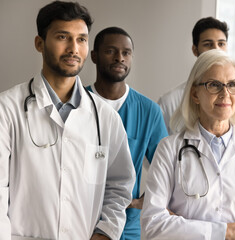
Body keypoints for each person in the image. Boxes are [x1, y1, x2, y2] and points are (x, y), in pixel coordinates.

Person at [0, 2, 136, 240]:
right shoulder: (7, 109)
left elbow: (119, 186)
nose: (74, 48)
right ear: (39, 43)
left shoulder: (105, 118)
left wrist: (105, 233)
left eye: (82, 39)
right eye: (63, 37)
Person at [141, 49, 235, 240]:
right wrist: (228, 232)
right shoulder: (169, 149)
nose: (225, 93)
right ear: (195, 93)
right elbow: (153, 225)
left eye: (232, 85)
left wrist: (182, 226)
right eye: (214, 85)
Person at [87, 27, 168, 240]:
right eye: (110, 51)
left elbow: (168, 171)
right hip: (79, 221)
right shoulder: (76, 103)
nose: (119, 58)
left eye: (126, 53)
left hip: (126, 229)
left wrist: (140, 202)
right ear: (93, 55)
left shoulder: (149, 111)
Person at [157, 17, 235, 140]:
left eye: (221, 44)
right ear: (195, 49)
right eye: (208, 44)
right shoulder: (169, 101)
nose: (216, 49)